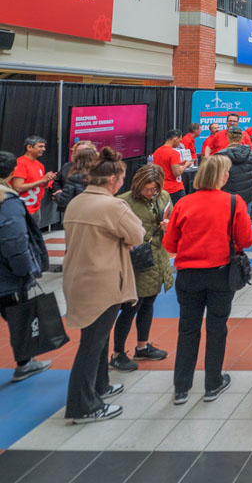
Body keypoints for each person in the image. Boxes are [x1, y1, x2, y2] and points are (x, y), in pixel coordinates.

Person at [162, 154, 252, 405]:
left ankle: (181, 387)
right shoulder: (234, 202)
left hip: (188, 275)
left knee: (188, 328)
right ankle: (212, 383)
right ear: (221, 176)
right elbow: (245, 241)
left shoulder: (183, 204)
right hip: (221, 274)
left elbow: (169, 243)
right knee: (217, 328)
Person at [63, 148, 145, 423]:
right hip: (104, 281)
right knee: (91, 345)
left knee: (96, 340)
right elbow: (138, 234)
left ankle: (100, 386)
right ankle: (83, 406)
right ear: (113, 180)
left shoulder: (77, 202)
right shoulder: (113, 206)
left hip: (79, 278)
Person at [110, 165, 173, 372]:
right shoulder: (124, 201)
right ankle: (118, 353)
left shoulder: (163, 197)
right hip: (134, 260)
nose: (150, 193)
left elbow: (172, 222)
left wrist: (168, 225)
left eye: (153, 189)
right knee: (130, 307)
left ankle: (142, 345)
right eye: (146, 189)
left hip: (157, 257)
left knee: (148, 303)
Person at [0, 150, 51, 382]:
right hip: (7, 276)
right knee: (18, 317)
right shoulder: (7, 202)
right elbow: (14, 241)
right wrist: (25, 271)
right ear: (12, 172)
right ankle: (25, 363)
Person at [10, 136, 56, 217]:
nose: (44, 149)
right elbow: (18, 187)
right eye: (40, 146)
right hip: (22, 210)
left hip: (36, 209)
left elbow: (43, 187)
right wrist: (42, 180)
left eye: (44, 146)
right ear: (29, 147)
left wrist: (48, 179)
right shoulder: (20, 163)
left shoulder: (40, 165)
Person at [51, 145, 97, 219]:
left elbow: (63, 200)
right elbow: (57, 181)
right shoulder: (102, 175)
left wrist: (57, 195)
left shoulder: (74, 178)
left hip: (77, 213)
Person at [218, 127, 252, 212]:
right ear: (242, 137)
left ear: (228, 137)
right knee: (244, 222)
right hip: (247, 194)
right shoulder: (251, 153)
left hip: (226, 195)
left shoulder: (220, 155)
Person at [154, 129, 186, 204]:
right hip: (174, 189)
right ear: (175, 139)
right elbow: (177, 173)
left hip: (161, 187)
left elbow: (164, 164)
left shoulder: (157, 151)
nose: (180, 143)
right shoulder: (174, 153)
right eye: (179, 140)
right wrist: (186, 165)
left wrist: (180, 163)